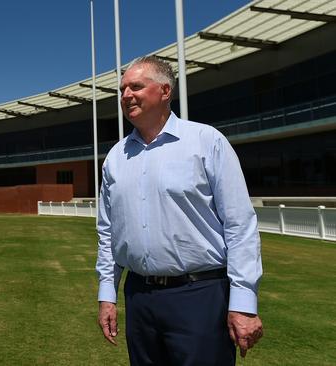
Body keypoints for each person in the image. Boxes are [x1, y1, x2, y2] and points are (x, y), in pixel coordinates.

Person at [95, 56, 263, 365]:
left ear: (164, 91)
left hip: (199, 297)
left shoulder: (206, 141)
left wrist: (243, 303)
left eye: (135, 86)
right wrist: (108, 294)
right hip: (139, 297)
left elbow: (239, 225)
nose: (126, 96)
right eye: (121, 90)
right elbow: (108, 233)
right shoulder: (115, 158)